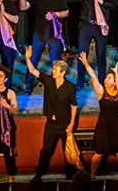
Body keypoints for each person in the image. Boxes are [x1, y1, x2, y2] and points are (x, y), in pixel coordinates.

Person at [25, 46, 78, 182]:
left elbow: (74, 106)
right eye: (53, 69)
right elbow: (32, 70)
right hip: (51, 123)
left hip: (65, 124)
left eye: (55, 69)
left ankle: (71, 175)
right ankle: (40, 174)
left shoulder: (69, 87)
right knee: (46, 149)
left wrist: (71, 124)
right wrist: (27, 58)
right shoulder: (48, 81)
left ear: (62, 72)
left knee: (68, 151)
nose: (53, 71)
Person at [78, 52, 118, 179]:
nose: (106, 79)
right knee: (99, 153)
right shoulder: (102, 92)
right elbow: (93, 77)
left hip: (117, 125)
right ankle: (92, 176)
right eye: (106, 77)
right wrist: (85, 63)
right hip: (104, 125)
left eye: (110, 78)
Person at [66, 0, 115, 89]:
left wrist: (100, 1)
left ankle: (101, 81)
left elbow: (113, 6)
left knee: (101, 54)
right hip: (85, 25)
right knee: (82, 54)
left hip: (100, 26)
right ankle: (80, 81)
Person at [19, 0, 70, 95]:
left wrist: (55, 15)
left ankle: (57, 85)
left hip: (54, 35)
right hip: (39, 33)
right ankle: (28, 84)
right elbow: (22, 7)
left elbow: (66, 12)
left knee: (55, 62)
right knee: (33, 60)